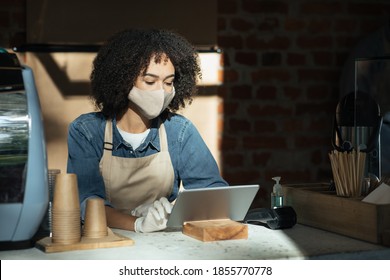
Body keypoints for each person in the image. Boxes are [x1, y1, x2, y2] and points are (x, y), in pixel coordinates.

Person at [66, 28, 228, 233]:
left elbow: (213, 193)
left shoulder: (179, 132)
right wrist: (137, 223)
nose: (161, 91)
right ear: (123, 80)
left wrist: (172, 210)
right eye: (150, 81)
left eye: (169, 82)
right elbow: (86, 202)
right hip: (104, 242)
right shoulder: (87, 131)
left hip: (163, 245)